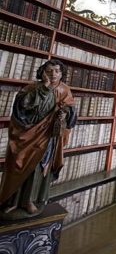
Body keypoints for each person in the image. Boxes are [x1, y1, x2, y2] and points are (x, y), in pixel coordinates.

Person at [0, 59, 77, 219]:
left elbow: (71, 110)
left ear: (62, 73)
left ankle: (30, 200)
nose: (53, 74)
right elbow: (22, 108)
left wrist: (65, 113)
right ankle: (11, 200)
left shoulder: (64, 90)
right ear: (42, 72)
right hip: (26, 135)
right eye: (49, 71)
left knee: (38, 168)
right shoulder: (31, 88)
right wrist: (46, 87)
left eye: (57, 71)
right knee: (16, 165)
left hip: (47, 136)